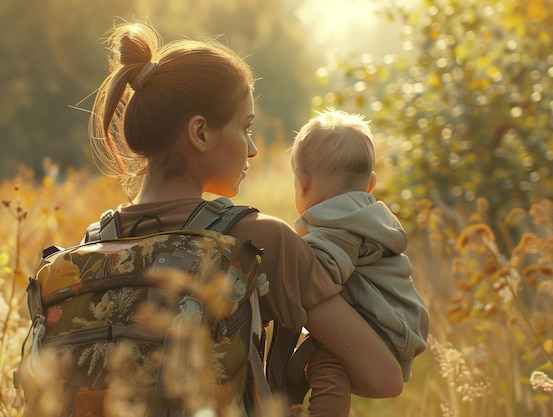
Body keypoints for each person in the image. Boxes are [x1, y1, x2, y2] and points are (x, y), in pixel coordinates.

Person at [46, 21, 403, 416]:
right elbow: (383, 377)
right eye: (244, 127)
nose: (251, 149)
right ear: (200, 132)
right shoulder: (260, 240)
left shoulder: (96, 244)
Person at [290, 109, 430, 417]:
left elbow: (320, 273)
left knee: (327, 364)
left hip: (380, 325)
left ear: (300, 184)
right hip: (395, 322)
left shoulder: (337, 221)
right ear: (370, 185)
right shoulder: (364, 217)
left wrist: (282, 256)